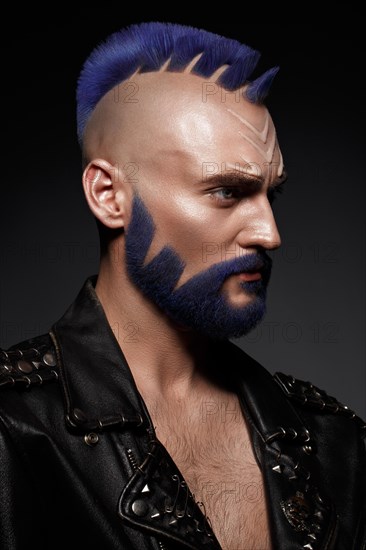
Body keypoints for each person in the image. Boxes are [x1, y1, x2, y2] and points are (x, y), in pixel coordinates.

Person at [0, 22, 365, 550]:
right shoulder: (15, 432)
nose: (270, 233)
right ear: (108, 195)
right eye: (226, 191)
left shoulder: (333, 442)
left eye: (271, 195)